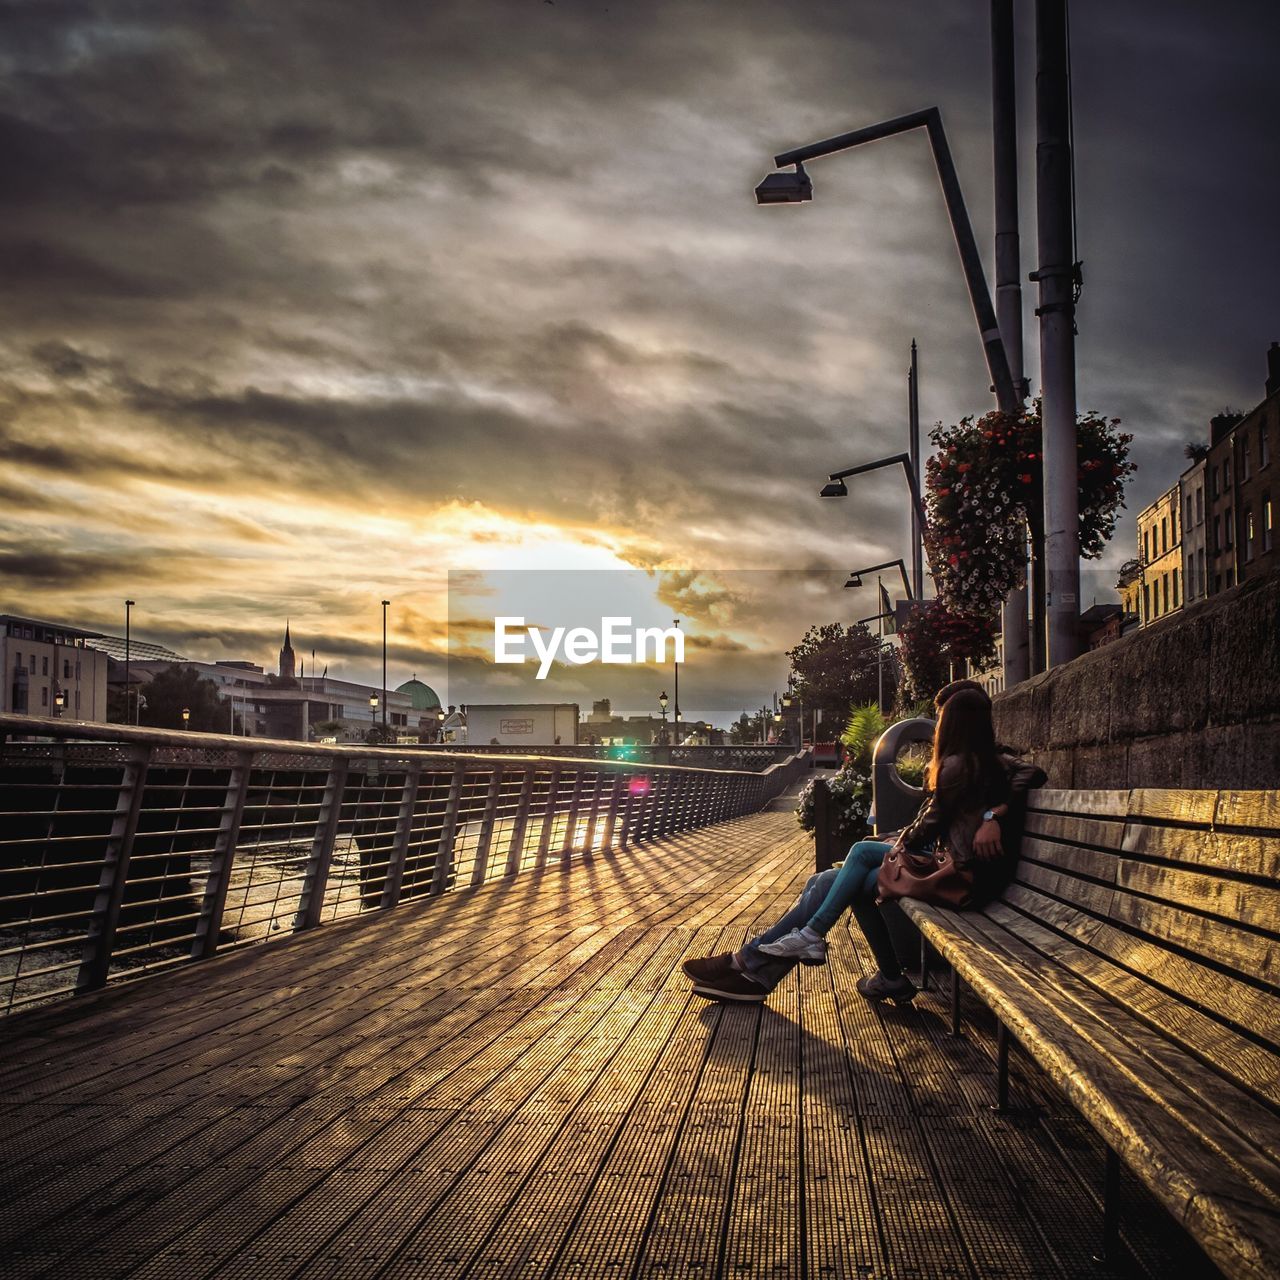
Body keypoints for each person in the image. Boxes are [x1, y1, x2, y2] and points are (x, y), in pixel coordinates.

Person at [682, 681, 1046, 1004]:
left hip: (957, 878)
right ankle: (763, 966)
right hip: (957, 870)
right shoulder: (989, 762)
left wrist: (991, 817)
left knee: (853, 860)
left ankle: (761, 958)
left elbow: (926, 828)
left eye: (942, 719)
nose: (936, 730)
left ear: (953, 723)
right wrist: (993, 815)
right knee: (830, 881)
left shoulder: (959, 765)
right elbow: (1026, 773)